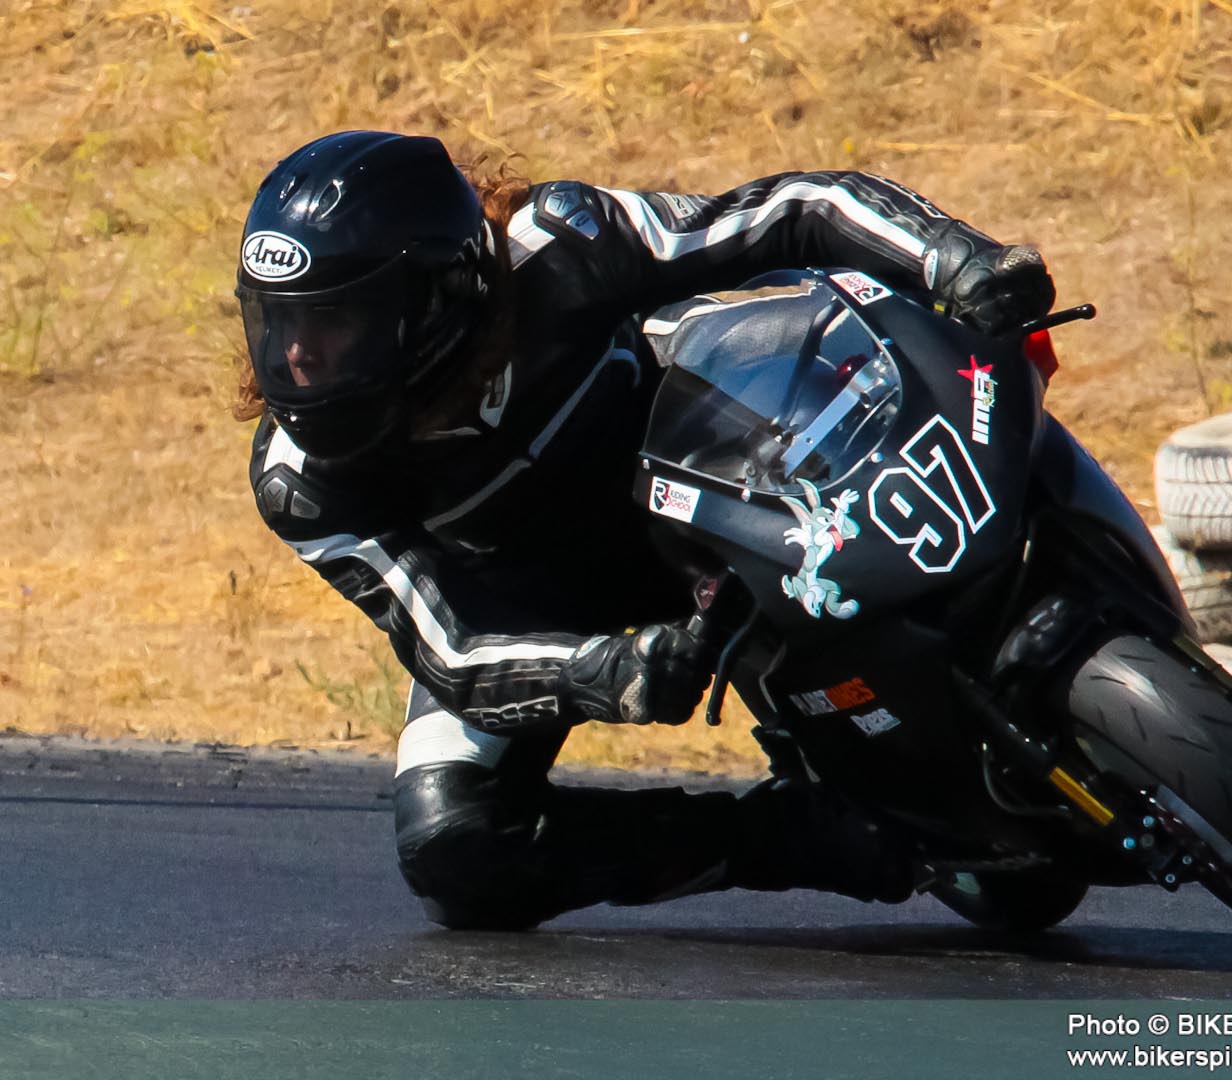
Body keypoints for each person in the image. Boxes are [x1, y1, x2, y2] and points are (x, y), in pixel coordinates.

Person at [235, 129, 1056, 929]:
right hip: (540, 610)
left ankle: (1020, 546)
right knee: (455, 851)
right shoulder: (301, 484)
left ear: (437, 297)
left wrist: (951, 254)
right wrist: (607, 671)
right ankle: (802, 836)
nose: (298, 357)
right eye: (280, 322)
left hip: (717, 474)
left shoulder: (559, 244)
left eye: (336, 323)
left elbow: (791, 212)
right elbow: (450, 647)